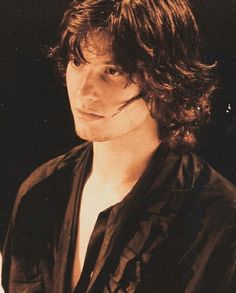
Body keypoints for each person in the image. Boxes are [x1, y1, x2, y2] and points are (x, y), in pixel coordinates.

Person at [2, 0, 236, 292]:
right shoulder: (39, 192)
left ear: (164, 82)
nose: (84, 91)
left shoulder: (220, 220)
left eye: (112, 70)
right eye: (78, 62)